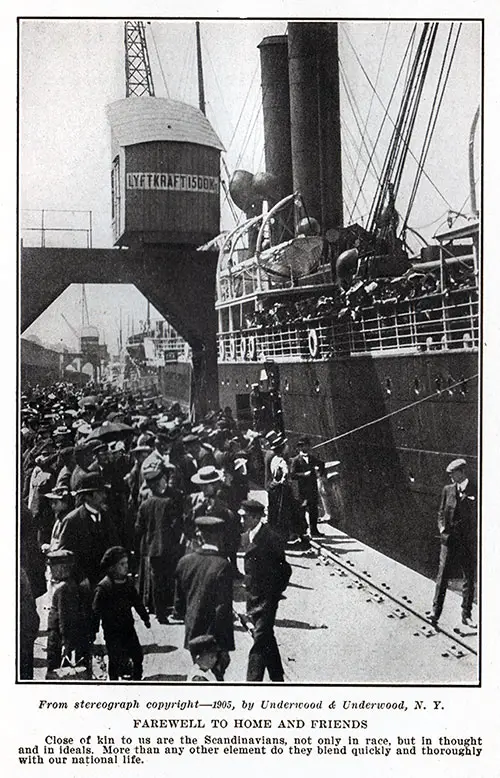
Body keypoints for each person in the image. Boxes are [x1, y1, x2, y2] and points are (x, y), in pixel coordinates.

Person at [174, 517, 235, 681]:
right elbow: (223, 607)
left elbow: (178, 603)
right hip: (213, 635)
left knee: (198, 673)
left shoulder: (184, 562)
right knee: (215, 676)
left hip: (193, 630)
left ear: (199, 536)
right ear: (219, 537)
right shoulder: (223, 565)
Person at [239, 499, 292, 682]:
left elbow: (285, 570)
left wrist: (274, 594)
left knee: (259, 639)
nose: (242, 520)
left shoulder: (271, 538)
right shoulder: (247, 536)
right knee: (266, 636)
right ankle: (277, 677)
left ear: (255, 518)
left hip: (267, 599)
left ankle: (253, 683)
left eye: (244, 517)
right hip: (252, 597)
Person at [135, 460, 184, 623]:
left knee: (157, 582)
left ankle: (160, 614)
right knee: (172, 578)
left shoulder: (145, 505)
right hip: (169, 548)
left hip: (152, 549)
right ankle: (176, 610)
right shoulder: (169, 502)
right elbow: (176, 525)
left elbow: (138, 528)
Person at [430, 458, 477, 628]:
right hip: (449, 540)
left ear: (462, 472)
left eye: (453, 473)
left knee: (469, 577)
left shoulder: (475, 490)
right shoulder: (448, 490)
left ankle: (467, 615)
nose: (450, 476)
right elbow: (441, 512)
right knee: (442, 576)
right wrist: (442, 529)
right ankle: (435, 612)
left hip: (467, 541)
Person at [92, 546, 151, 681]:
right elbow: (96, 611)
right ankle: (114, 684)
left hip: (128, 627)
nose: (126, 567)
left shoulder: (128, 583)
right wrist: (93, 631)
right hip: (112, 630)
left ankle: (136, 681)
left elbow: (137, 602)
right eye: (122, 564)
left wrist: (145, 617)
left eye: (127, 563)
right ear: (112, 567)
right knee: (115, 659)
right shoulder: (104, 587)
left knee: (137, 655)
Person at [57, 472, 119, 587]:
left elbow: (115, 546)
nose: (104, 496)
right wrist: (80, 577)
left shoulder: (107, 517)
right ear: (88, 496)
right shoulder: (72, 521)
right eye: (100, 493)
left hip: (105, 583)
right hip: (83, 585)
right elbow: (64, 555)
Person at [45, 549, 93, 679]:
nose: (50, 572)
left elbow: (64, 619)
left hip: (57, 637)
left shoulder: (63, 589)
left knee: (54, 669)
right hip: (66, 635)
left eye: (52, 567)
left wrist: (65, 644)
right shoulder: (71, 583)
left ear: (62, 568)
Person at [290, 436, 326, 537]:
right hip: (302, 490)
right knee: (302, 511)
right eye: (302, 446)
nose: (304, 448)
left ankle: (314, 531)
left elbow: (322, 464)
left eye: (306, 446)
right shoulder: (296, 460)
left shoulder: (312, 458)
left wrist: (320, 473)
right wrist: (304, 474)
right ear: (299, 448)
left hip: (312, 489)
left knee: (314, 511)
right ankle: (303, 531)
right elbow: (292, 475)